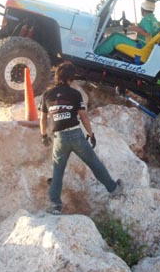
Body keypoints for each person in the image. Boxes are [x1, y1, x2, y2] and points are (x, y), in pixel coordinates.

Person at [40, 62, 123, 215]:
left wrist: (44, 135)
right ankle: (113, 189)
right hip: (76, 135)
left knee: (58, 171)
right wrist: (91, 135)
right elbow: (83, 116)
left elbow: (43, 119)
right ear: (71, 78)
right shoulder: (75, 94)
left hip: (59, 139)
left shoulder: (47, 95)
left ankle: (56, 206)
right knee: (94, 163)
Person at [95, 0, 160, 56]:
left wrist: (132, 27)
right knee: (116, 35)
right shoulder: (153, 19)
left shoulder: (146, 19)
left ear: (142, 9)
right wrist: (131, 24)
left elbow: (147, 33)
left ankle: (95, 54)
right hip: (145, 46)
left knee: (115, 38)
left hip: (142, 46)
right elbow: (145, 30)